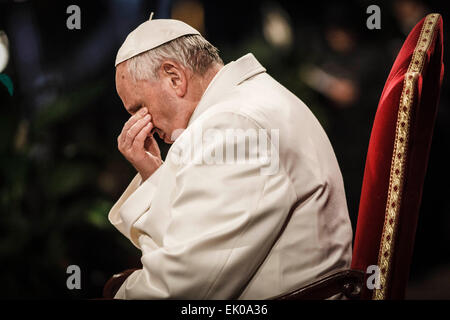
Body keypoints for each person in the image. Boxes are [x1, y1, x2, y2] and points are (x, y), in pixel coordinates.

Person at [108, 16, 353, 299]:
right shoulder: (244, 103)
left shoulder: (233, 126)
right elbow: (192, 249)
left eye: (139, 107)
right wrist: (155, 177)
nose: (141, 122)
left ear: (174, 77)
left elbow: (184, 287)